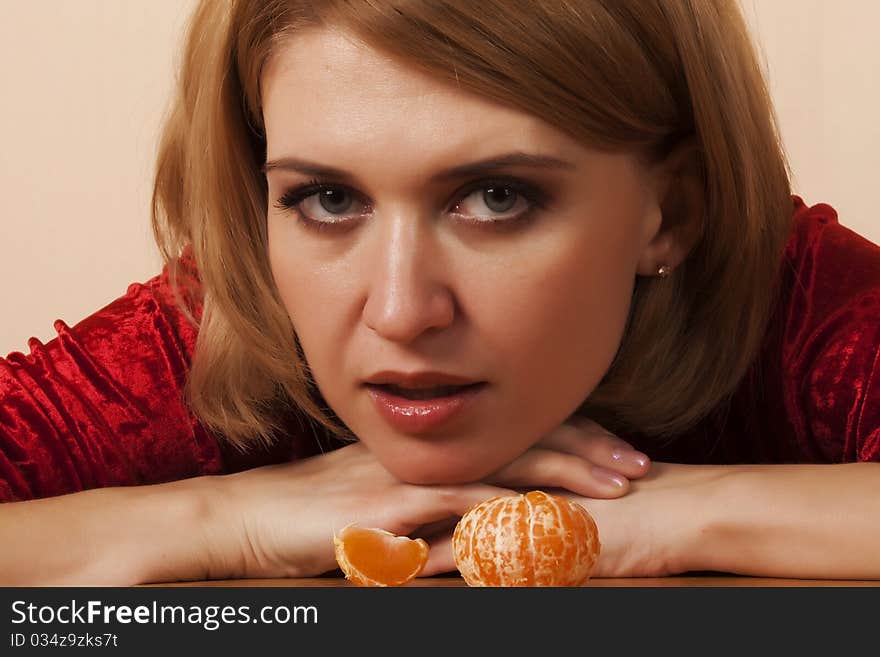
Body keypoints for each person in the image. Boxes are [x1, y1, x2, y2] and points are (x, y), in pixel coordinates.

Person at [1, 0, 878, 586]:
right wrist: (225, 518)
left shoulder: (794, 301)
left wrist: (669, 513)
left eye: (497, 197)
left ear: (670, 211)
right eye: (329, 199)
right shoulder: (229, 318)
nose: (398, 310)